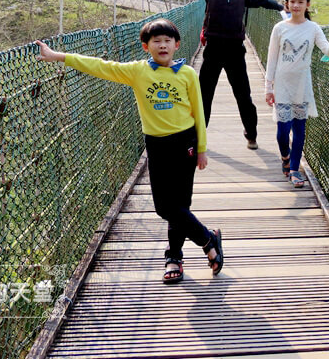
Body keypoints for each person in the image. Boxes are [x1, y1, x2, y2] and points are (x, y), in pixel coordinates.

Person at [34, 19, 223, 285]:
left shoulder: (188, 73)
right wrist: (59, 57)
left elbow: (199, 113)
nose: (163, 45)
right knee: (164, 207)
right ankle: (207, 238)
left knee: (179, 205)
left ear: (177, 45)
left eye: (168, 40)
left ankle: (174, 257)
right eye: (156, 41)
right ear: (146, 47)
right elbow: (101, 67)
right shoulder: (137, 71)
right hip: (157, 145)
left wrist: (201, 148)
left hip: (185, 142)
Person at [161, 0, 284, 149]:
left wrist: (285, 9)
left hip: (236, 51)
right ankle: (199, 137)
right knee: (204, 95)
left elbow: (265, 2)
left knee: (243, 95)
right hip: (213, 50)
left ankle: (251, 134)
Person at [264, 0, 329, 188]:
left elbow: (327, 53)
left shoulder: (313, 28)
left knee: (299, 129)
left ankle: (294, 169)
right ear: (287, 3)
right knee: (283, 132)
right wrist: (268, 87)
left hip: (302, 85)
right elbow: (272, 58)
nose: (296, 5)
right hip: (282, 85)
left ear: (307, 5)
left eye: (300, 2)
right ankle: (285, 155)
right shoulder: (279, 28)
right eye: (293, 2)